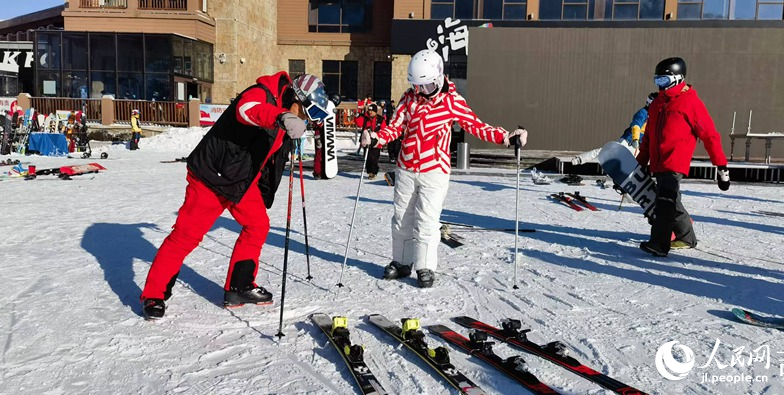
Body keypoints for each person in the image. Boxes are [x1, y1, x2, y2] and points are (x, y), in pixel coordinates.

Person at [139, 72, 331, 320]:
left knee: (258, 225)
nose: (303, 118)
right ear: (296, 98)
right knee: (186, 235)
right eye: (304, 113)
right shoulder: (262, 94)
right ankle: (154, 294)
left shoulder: (288, 108)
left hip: (240, 179)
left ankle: (239, 287)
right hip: (211, 176)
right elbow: (246, 110)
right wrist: (281, 117)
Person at [361, 49, 528, 288]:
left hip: (434, 170)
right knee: (401, 218)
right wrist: (376, 138)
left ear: (438, 78)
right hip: (406, 168)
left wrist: (506, 137)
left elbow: (476, 125)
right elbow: (395, 127)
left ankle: (425, 266)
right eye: (418, 86)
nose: (422, 92)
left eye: (427, 87)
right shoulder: (409, 99)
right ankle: (401, 262)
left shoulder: (452, 101)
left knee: (426, 220)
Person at [636, 57, 729, 257]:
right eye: (657, 81)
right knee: (672, 200)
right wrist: (640, 162)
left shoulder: (691, 103)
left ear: (678, 78)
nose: (660, 86)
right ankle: (687, 237)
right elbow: (648, 137)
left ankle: (659, 244)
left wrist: (721, 166)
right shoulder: (656, 105)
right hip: (658, 163)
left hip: (675, 161)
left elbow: (710, 135)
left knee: (665, 203)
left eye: (664, 81)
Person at [572, 92, 658, 165]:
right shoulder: (643, 113)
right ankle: (580, 159)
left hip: (639, 145)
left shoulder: (654, 117)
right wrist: (635, 139)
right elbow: (636, 125)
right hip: (629, 141)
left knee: (632, 164)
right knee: (607, 152)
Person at [356, 103, 387, 179]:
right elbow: (359, 123)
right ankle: (369, 171)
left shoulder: (380, 119)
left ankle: (373, 172)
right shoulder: (365, 118)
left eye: (372, 111)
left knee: (374, 157)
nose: (370, 112)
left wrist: (378, 136)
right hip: (367, 140)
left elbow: (384, 129)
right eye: (369, 110)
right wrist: (357, 116)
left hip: (376, 142)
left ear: (375, 111)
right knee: (367, 157)